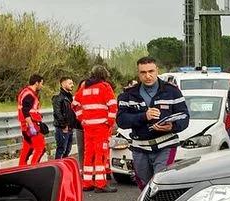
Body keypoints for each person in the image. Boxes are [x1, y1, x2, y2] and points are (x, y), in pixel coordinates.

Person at [117, 56, 189, 189]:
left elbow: (184, 117)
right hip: (140, 147)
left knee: (161, 182)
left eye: (151, 71)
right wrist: (144, 116)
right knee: (145, 186)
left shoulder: (172, 91)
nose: (148, 76)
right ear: (138, 73)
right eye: (143, 73)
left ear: (157, 70)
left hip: (165, 145)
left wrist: (172, 126)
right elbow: (121, 121)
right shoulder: (128, 94)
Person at [73, 66, 118, 192]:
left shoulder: (84, 88)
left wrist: (82, 119)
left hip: (88, 127)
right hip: (101, 127)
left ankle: (87, 183)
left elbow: (75, 104)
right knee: (101, 154)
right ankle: (100, 184)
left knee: (89, 154)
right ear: (104, 75)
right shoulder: (104, 87)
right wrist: (110, 122)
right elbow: (113, 105)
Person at [16, 74, 48, 165]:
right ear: (36, 83)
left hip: (25, 125)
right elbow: (25, 110)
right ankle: (33, 167)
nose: (42, 86)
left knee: (27, 148)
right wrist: (31, 126)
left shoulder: (25, 92)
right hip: (31, 124)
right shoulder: (29, 95)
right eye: (41, 83)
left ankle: (21, 168)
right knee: (40, 148)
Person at [52, 76, 78, 160]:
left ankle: (63, 168)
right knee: (61, 149)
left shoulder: (70, 97)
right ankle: (57, 167)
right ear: (63, 84)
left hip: (70, 127)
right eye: (70, 83)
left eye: (72, 83)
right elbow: (57, 113)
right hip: (62, 128)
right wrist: (64, 125)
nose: (72, 85)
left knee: (67, 150)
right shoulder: (58, 97)